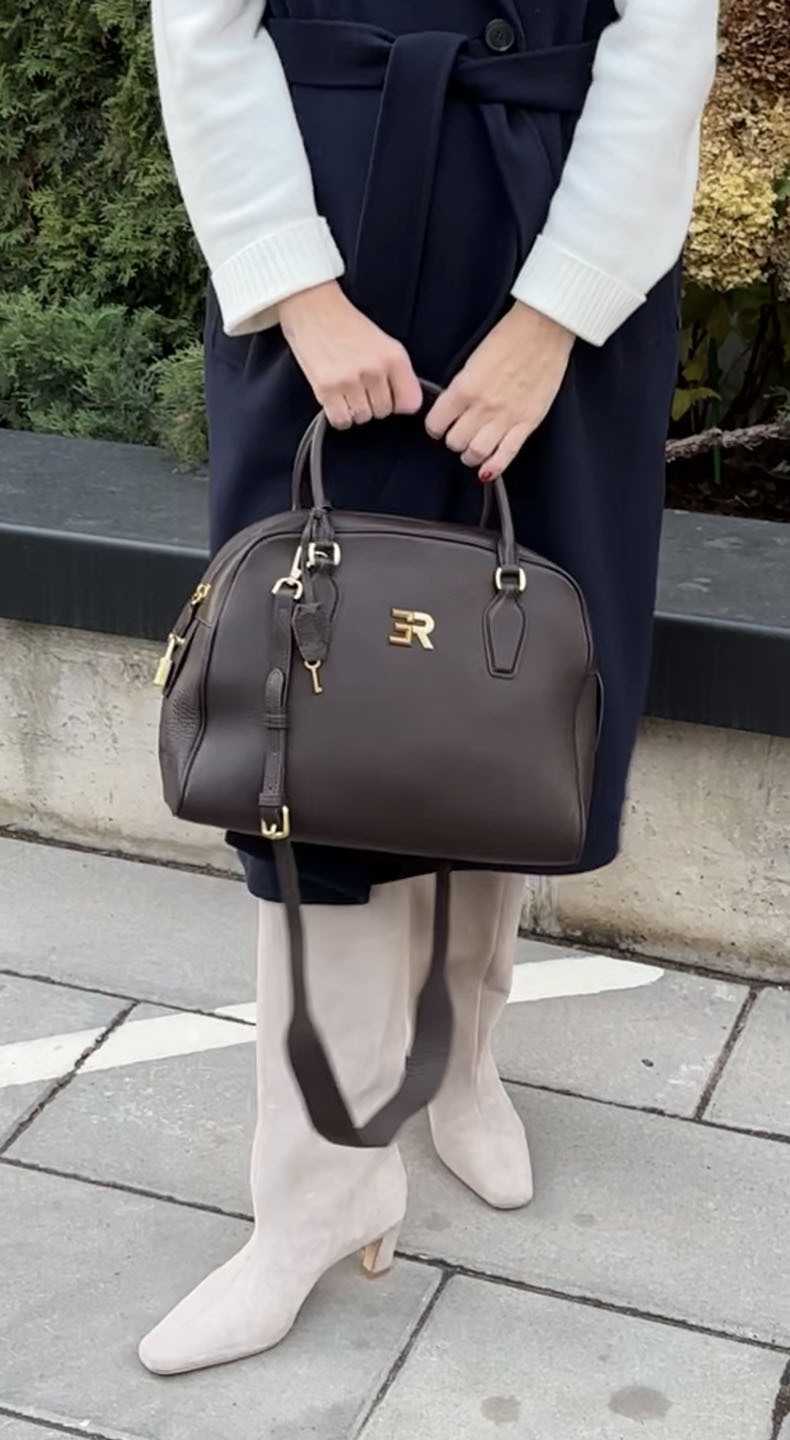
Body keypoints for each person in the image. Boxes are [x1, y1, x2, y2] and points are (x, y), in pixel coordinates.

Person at [140, 0, 719, 1375]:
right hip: (327, 219)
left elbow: (663, 36)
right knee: (315, 727)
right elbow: (204, 25)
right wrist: (296, 287)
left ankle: (458, 1058)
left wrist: (556, 314)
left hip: (564, 224)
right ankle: (317, 1187)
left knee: (503, 711)